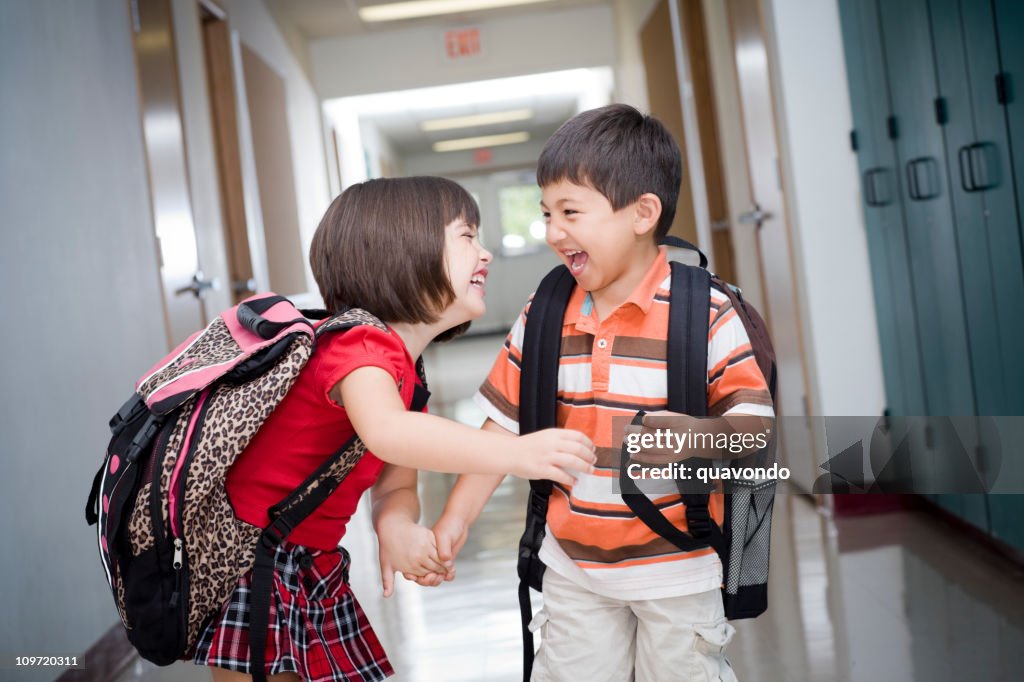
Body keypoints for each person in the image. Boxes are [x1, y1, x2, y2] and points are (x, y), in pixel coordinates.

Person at [191, 176, 596, 682]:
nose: (485, 253)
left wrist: (394, 525)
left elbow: (396, 480)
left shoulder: (404, 372)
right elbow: (388, 432)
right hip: (252, 566)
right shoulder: (356, 346)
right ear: (402, 252)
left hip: (303, 561)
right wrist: (516, 454)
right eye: (467, 237)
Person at [427, 104, 775, 681]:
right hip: (574, 567)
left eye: (570, 212)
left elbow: (755, 431)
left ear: (642, 213)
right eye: (545, 213)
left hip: (678, 568)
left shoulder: (705, 313)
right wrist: (454, 522)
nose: (552, 232)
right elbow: (501, 428)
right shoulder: (546, 313)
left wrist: (700, 435)